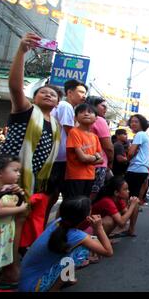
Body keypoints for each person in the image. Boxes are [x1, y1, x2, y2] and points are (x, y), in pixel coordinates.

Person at [0, 33, 63, 287]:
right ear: (34, 98)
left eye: (53, 94)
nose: (48, 95)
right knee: (7, 219)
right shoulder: (26, 111)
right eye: (43, 92)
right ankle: (10, 269)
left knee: (19, 220)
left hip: (33, 181)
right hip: (7, 175)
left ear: (58, 102)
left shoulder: (55, 125)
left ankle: (11, 267)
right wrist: (21, 51)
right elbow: (15, 87)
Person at [19, 197, 113, 292]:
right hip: (34, 287)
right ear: (86, 217)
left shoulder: (59, 222)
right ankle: (54, 289)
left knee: (88, 242)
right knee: (82, 251)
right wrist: (99, 228)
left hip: (24, 280)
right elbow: (108, 252)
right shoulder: (77, 236)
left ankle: (66, 277)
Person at [47, 79, 88, 221]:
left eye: (85, 93)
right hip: (59, 158)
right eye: (81, 92)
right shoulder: (66, 106)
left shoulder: (67, 107)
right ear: (69, 93)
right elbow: (70, 131)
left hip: (60, 158)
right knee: (52, 196)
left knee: (55, 195)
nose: (84, 96)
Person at [0, 155, 28, 290]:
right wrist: (20, 208)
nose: (18, 174)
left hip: (3, 236)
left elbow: (18, 201)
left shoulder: (10, 189)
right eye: (15, 170)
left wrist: (18, 193)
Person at [65, 104, 103, 199]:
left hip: (90, 176)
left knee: (83, 204)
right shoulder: (74, 132)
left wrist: (89, 158)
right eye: (81, 112)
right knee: (73, 204)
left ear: (95, 118)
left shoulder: (95, 137)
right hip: (75, 176)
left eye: (90, 112)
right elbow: (82, 158)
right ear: (76, 117)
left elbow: (101, 160)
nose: (86, 114)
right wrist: (95, 157)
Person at [87, 96, 114, 200]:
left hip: (82, 164)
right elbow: (108, 147)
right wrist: (110, 162)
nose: (105, 109)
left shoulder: (79, 118)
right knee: (91, 198)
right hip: (98, 165)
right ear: (94, 105)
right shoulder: (99, 120)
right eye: (103, 106)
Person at [124, 115, 149, 203]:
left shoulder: (139, 134)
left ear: (142, 123)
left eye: (136, 121)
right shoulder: (144, 135)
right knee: (135, 199)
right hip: (142, 170)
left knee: (128, 198)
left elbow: (131, 152)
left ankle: (126, 216)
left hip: (135, 169)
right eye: (131, 122)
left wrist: (126, 160)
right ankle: (131, 216)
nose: (133, 124)